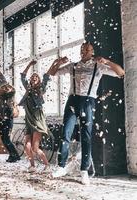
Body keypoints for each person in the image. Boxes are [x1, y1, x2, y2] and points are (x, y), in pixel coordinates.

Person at [51, 42, 125, 185]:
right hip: (72, 101)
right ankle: (61, 166)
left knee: (86, 136)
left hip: (88, 101)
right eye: (82, 49)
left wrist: (107, 61)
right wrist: (57, 62)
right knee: (66, 133)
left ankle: (84, 170)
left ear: (92, 51)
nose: (84, 51)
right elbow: (52, 73)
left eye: (87, 50)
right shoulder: (73, 66)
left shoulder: (99, 66)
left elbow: (121, 73)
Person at [19, 60, 56, 172]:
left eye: (36, 77)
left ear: (39, 81)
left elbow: (46, 76)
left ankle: (47, 165)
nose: (34, 78)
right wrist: (30, 65)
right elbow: (23, 76)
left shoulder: (41, 89)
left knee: (35, 148)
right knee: (27, 147)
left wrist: (54, 62)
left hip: (37, 121)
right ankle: (32, 166)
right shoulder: (28, 89)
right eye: (32, 77)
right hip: (28, 121)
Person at [0, 84, 21, 163]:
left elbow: (11, 112)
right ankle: (11, 155)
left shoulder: (10, 99)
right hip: (1, 121)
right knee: (4, 139)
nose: (6, 89)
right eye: (5, 88)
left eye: (8, 88)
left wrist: (5, 116)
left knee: (7, 139)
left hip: (8, 121)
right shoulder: (1, 99)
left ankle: (15, 155)